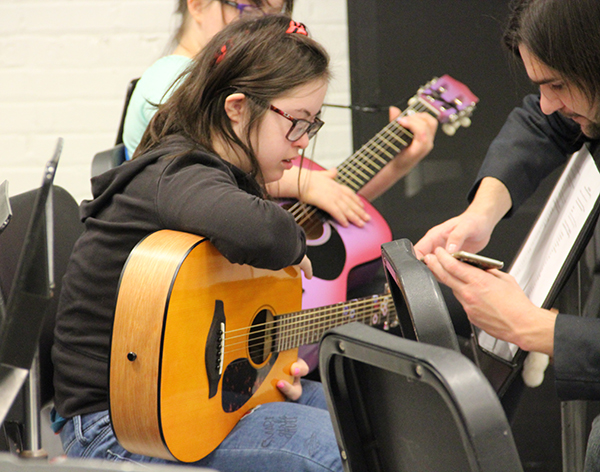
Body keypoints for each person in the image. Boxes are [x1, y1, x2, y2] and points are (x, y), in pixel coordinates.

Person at [52, 15, 344, 471]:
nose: (304, 142)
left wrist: (263, 378)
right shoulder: (178, 172)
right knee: (334, 452)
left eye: (313, 124)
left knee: (362, 421)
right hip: (119, 425)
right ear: (236, 107)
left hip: (183, 398)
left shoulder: (219, 176)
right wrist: (294, 243)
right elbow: (261, 232)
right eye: (297, 122)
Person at [417, 0, 600, 469]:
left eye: (558, 84)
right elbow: (543, 122)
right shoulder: (579, 100)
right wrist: (482, 212)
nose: (548, 102)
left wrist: (533, 328)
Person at [122, 0, 438, 229]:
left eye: (277, 16)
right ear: (199, 4)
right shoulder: (173, 81)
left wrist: (397, 164)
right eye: (251, 10)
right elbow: (202, 181)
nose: (264, 30)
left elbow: (311, 214)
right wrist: (303, 185)